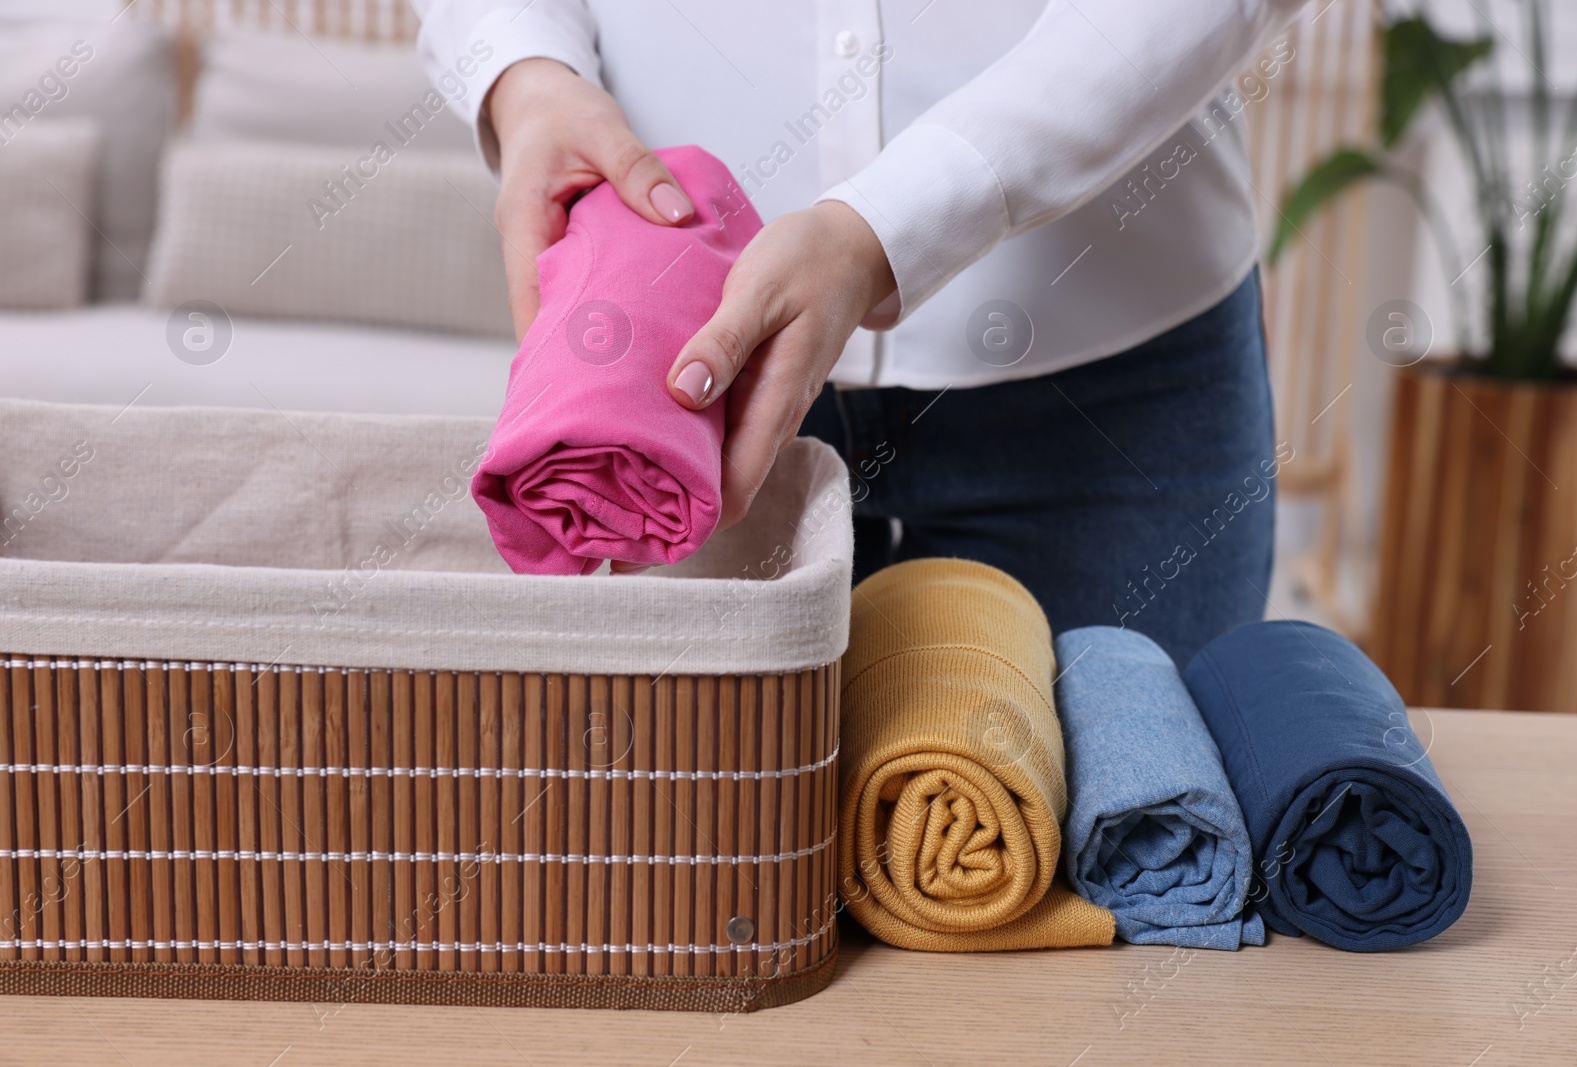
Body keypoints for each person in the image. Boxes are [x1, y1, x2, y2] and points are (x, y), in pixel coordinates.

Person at [413, 0, 1308, 666]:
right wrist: (522, 70)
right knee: (677, 876)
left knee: (1123, 870)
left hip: (1109, 373)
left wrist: (888, 225)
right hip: (674, 389)